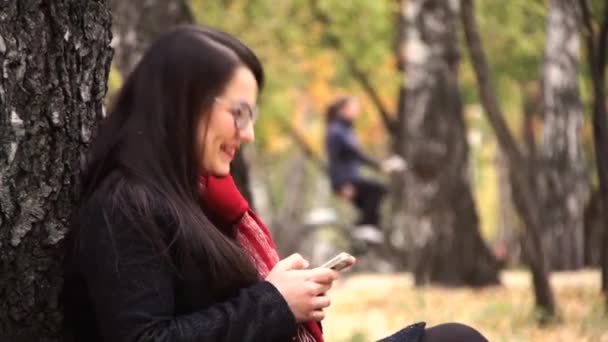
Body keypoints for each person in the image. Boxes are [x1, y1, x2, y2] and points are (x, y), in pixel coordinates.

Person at [61, 25, 488, 342]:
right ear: (185, 106)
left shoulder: (198, 197)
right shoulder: (124, 207)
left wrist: (284, 293)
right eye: (239, 113)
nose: (247, 134)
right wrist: (276, 303)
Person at [325, 96, 404, 245]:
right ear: (343, 110)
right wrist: (340, 184)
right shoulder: (336, 131)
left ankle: (363, 232)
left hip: (351, 177)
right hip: (346, 180)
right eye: (353, 107)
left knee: (373, 199)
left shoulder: (346, 130)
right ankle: (365, 228)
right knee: (377, 189)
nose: (357, 111)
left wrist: (381, 166)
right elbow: (335, 160)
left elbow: (356, 156)